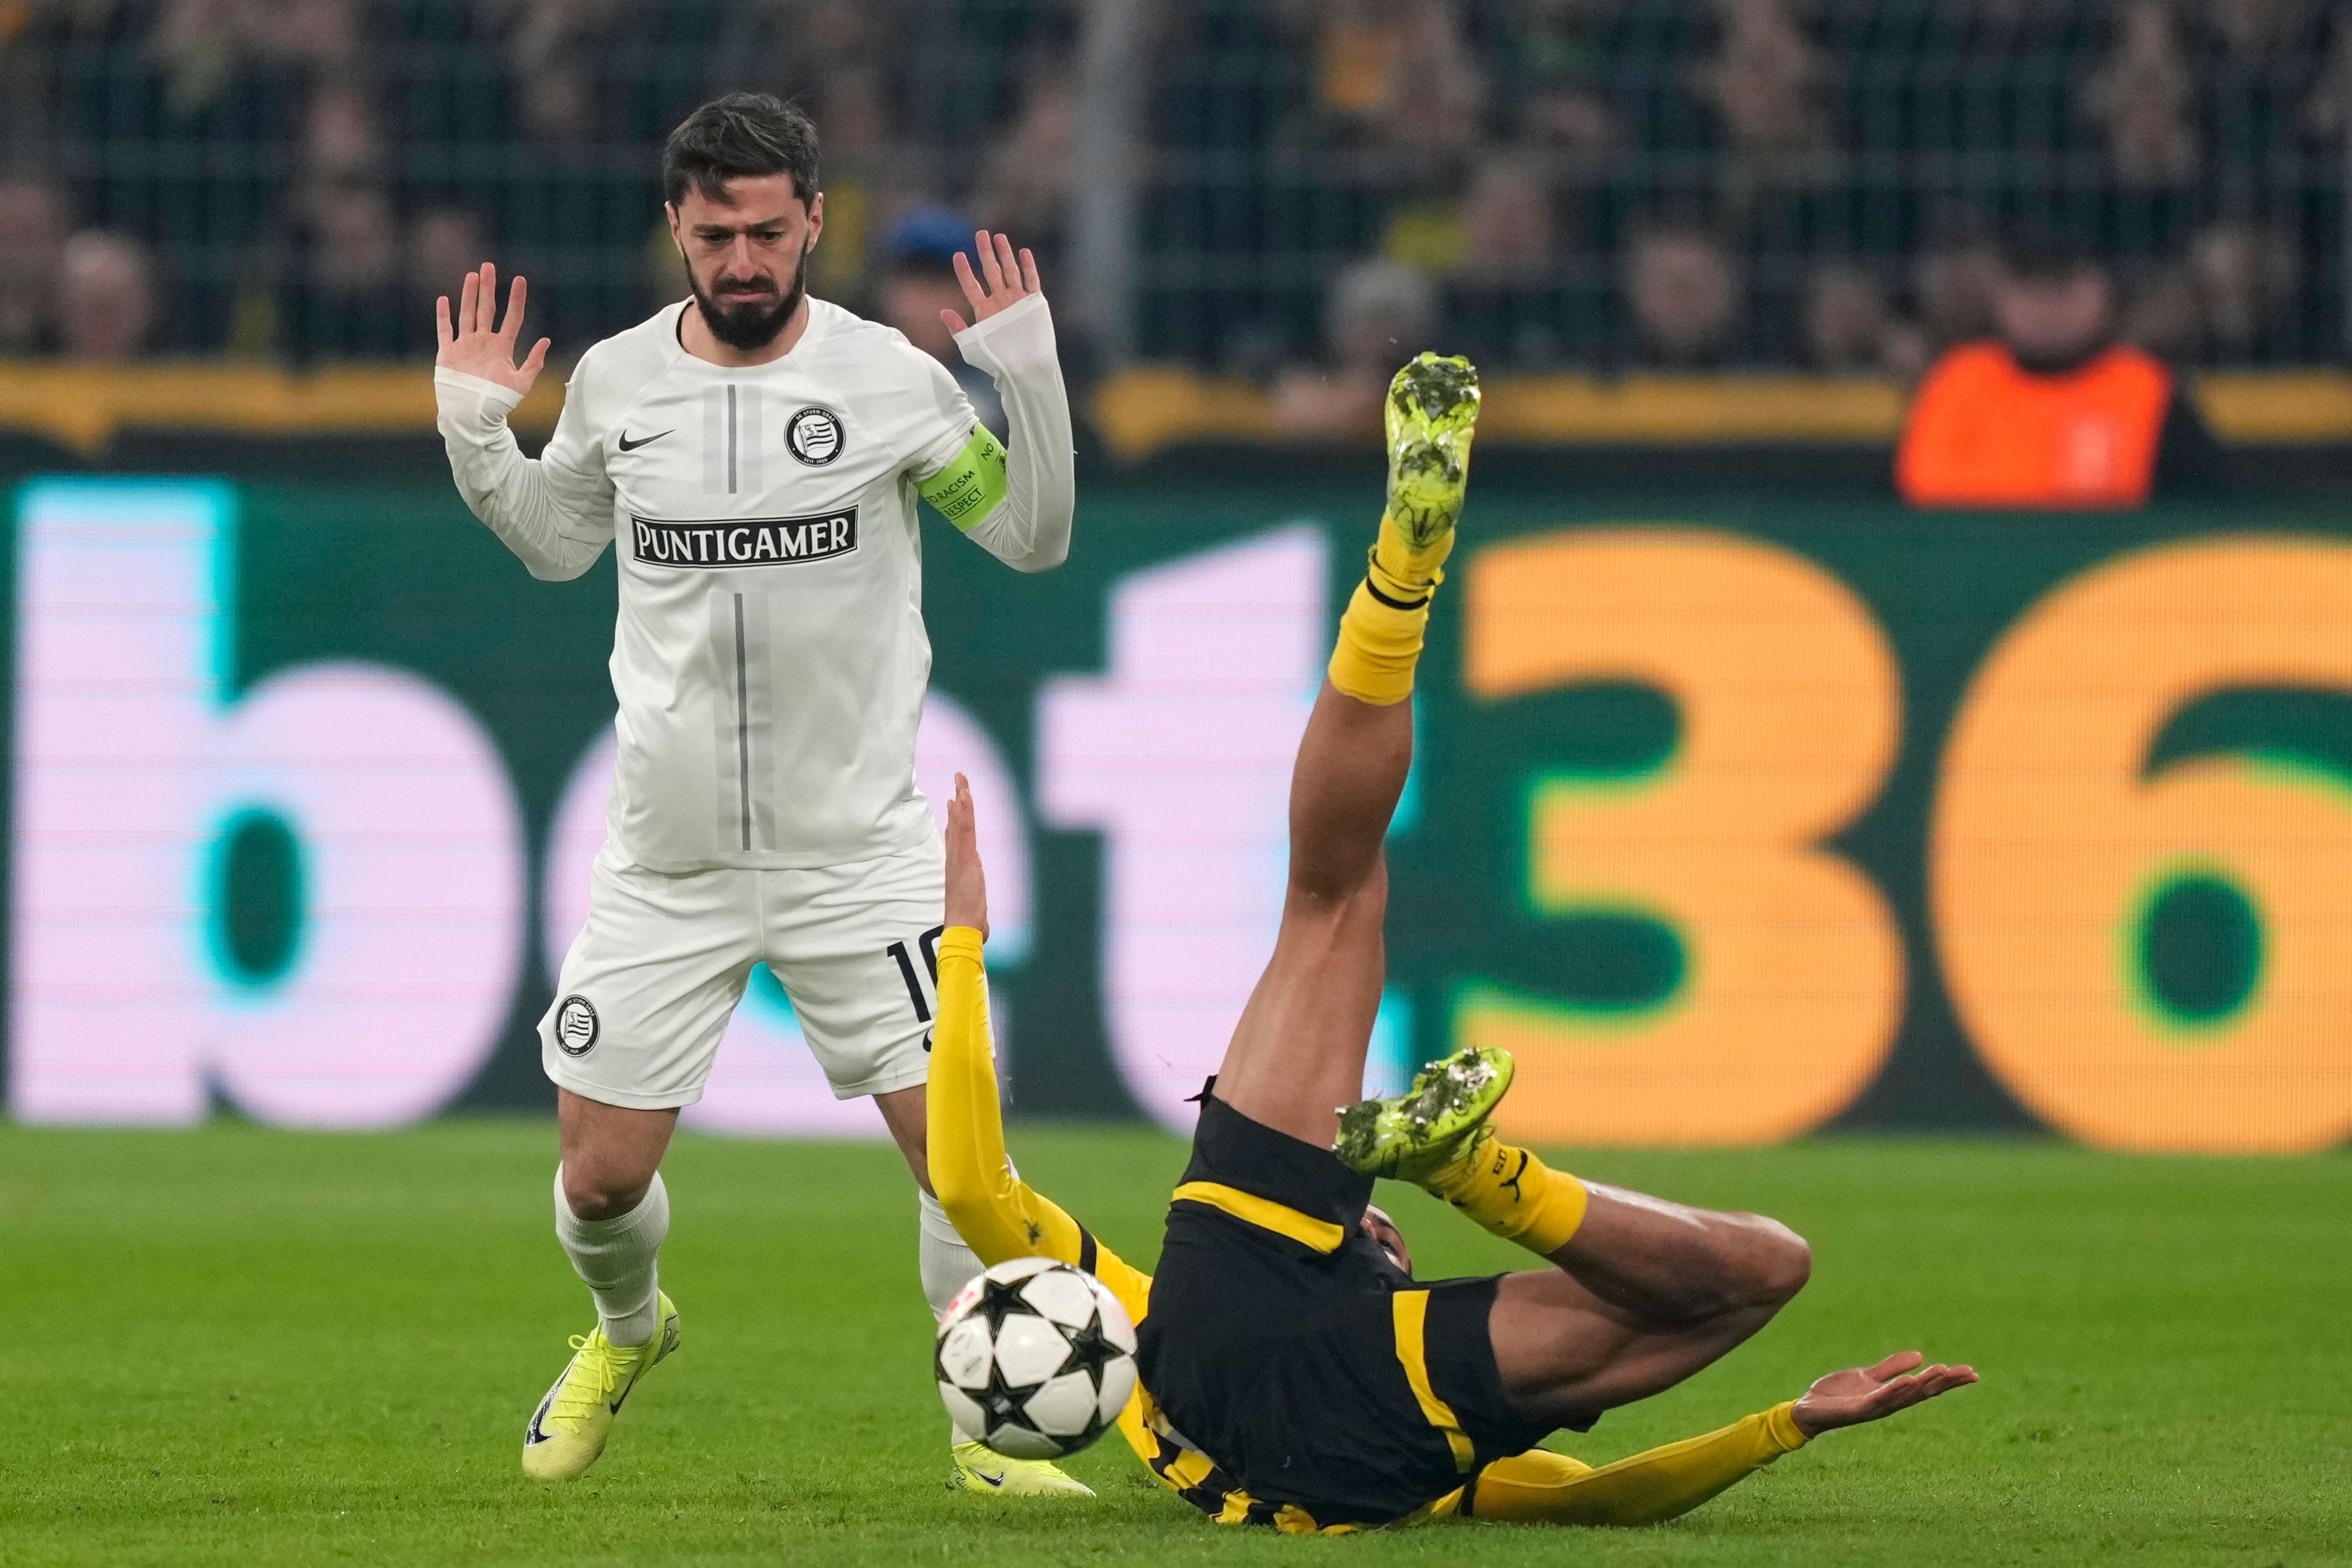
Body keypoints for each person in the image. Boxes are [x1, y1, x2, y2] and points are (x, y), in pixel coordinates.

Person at [928, 352, 1978, 1530]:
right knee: (1329, 896)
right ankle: (1479, 1168)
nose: (1377, 1228)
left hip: (1280, 1361)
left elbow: (969, 1180)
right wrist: (1785, 1424)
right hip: (1357, 1381)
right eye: (1381, 1218)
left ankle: (1480, 1171)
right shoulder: (1160, 1321)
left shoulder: (1128, 1333)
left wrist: (964, 948)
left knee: (1764, 1271)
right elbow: (1606, 1500)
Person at [431, 92, 1085, 1496]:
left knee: (961, 1163)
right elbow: (555, 547)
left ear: (813, 226)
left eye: (768, 233)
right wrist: (478, 438)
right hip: (669, 861)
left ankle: (985, 1422)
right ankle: (627, 1325)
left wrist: (1025, 372)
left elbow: (1032, 538)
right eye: (716, 232)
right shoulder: (615, 382)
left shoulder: (890, 381)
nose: (742, 259)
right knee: (599, 1178)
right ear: (677, 225)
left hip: (857, 856)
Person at [1897, 233, 2230, 508]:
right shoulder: (1959, 379)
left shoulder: (2147, 389)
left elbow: (2203, 516)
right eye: (2029, 289)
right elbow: (1912, 497)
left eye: (2063, 288)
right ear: (2000, 297)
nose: (2046, 307)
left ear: (2103, 293)